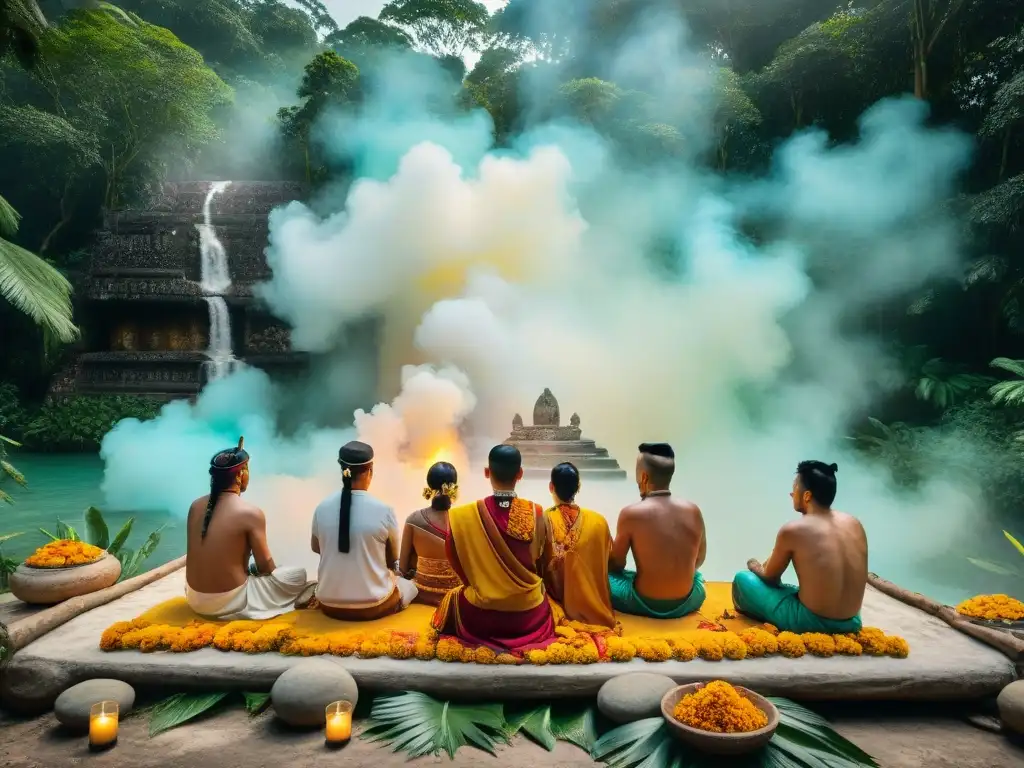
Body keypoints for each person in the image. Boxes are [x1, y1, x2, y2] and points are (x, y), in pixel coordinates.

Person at [431, 444, 558, 652]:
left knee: (452, 598)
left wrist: (475, 585)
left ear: (487, 472)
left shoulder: (463, 516)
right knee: (546, 598)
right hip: (529, 613)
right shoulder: (536, 512)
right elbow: (546, 560)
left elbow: (452, 556)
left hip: (481, 613)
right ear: (520, 473)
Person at [185, 437, 315, 620]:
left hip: (194, 599)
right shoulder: (250, 513)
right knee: (296, 575)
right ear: (240, 475)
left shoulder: (195, 506)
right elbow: (266, 567)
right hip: (230, 601)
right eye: (247, 470)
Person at [732, 461, 866, 634]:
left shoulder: (794, 530)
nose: (791, 493)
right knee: (795, 590)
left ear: (807, 496)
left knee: (743, 579)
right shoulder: (854, 523)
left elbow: (770, 578)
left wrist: (753, 565)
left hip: (811, 622)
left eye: (795, 488)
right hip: (852, 620)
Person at [311, 440, 418, 620]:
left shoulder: (322, 508)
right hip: (374, 605)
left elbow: (317, 548)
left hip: (329, 605)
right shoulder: (384, 511)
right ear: (370, 471)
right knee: (410, 586)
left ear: (342, 471)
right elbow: (392, 560)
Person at [608, 443, 707, 618]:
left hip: (644, 602)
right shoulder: (694, 511)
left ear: (644, 477)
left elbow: (616, 565)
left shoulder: (630, 514)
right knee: (698, 578)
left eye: (637, 475)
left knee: (601, 578)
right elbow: (699, 559)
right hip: (689, 599)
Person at [539, 462, 616, 629]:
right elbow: (611, 563)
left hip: (558, 603)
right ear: (578, 486)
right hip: (598, 609)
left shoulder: (543, 519)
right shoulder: (599, 521)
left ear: (551, 487)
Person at [398, 461, 463, 606]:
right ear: (454, 487)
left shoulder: (413, 520)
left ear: (429, 486)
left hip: (421, 595)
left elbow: (403, 569)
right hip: (455, 597)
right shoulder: (464, 521)